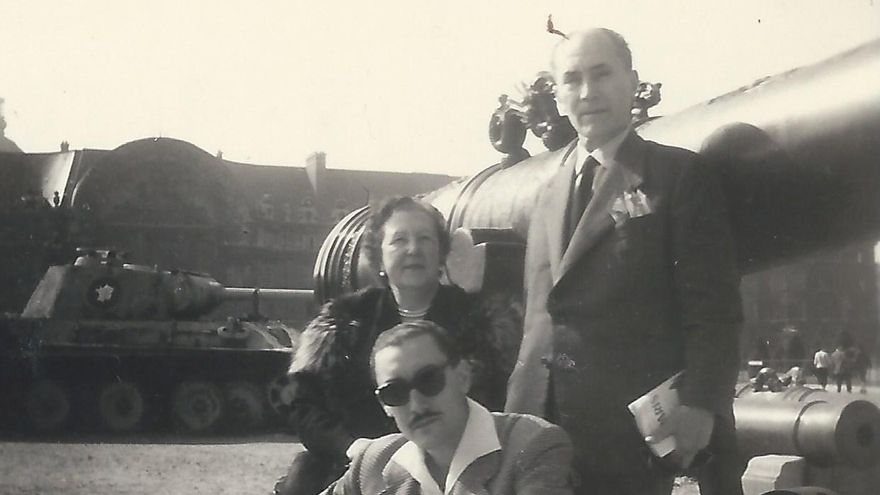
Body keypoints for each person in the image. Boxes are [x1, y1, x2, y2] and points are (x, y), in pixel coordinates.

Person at [505, 28, 743, 495]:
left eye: (602, 74)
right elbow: (540, 319)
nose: (588, 92)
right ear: (558, 94)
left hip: (649, 441)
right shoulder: (546, 194)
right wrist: (516, 419)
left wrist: (701, 404)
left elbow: (714, 307)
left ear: (632, 82)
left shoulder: (677, 176)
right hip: (550, 438)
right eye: (572, 79)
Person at [275, 196, 506, 495]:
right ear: (379, 257)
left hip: (454, 472)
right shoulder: (345, 319)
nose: (413, 249)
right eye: (399, 240)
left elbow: (498, 404)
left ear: (441, 253)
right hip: (352, 467)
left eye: (425, 238)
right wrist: (349, 446)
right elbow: (298, 399)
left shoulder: (481, 320)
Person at [321, 320, 573, 495]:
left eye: (428, 380)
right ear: (385, 406)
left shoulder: (532, 445)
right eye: (395, 392)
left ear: (463, 376)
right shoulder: (374, 462)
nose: (417, 405)